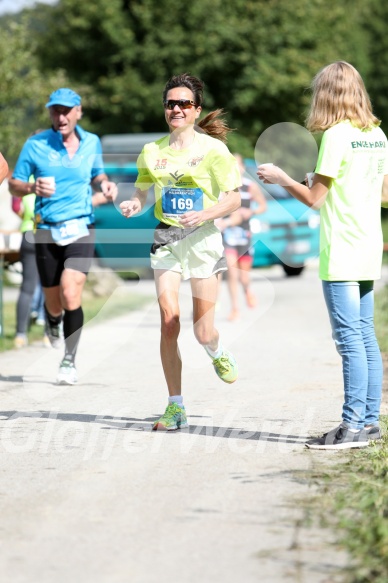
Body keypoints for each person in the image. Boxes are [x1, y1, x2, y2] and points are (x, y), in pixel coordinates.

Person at [258, 61, 388, 450]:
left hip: (343, 250)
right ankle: (369, 423)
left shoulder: (335, 136)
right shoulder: (377, 135)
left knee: (349, 339)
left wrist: (282, 179)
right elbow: (383, 194)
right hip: (368, 248)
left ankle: (350, 428)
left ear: (326, 95)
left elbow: (316, 201)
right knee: (365, 336)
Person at [120, 73, 242, 431]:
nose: (176, 108)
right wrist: (133, 203)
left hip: (203, 238)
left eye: (184, 103)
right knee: (168, 320)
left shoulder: (213, 151)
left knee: (203, 332)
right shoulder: (151, 151)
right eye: (171, 103)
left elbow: (234, 198)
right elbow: (142, 192)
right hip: (167, 238)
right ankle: (176, 405)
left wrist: (205, 213)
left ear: (196, 109)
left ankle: (216, 352)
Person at [9, 88, 117, 384]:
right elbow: (14, 184)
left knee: (72, 291)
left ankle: (69, 360)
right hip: (46, 229)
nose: (61, 116)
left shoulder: (91, 141)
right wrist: (32, 188)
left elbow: (98, 173)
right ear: (50, 114)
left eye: (66, 110)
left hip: (81, 225)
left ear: (78, 111)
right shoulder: (35, 144)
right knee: (53, 300)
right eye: (55, 111)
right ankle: (52, 321)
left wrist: (105, 184)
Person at [217, 153, 267, 320]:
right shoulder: (222, 187)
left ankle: (247, 290)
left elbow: (262, 206)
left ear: (243, 168)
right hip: (228, 235)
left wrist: (251, 211)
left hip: (244, 236)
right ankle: (235, 309)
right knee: (232, 274)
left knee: (244, 277)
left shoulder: (250, 186)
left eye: (236, 164)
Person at [11, 190, 50, 348]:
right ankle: (49, 334)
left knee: (27, 288)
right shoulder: (54, 177)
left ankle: (20, 335)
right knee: (51, 286)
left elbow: (16, 206)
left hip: (29, 233)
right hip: (48, 233)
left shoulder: (25, 180)